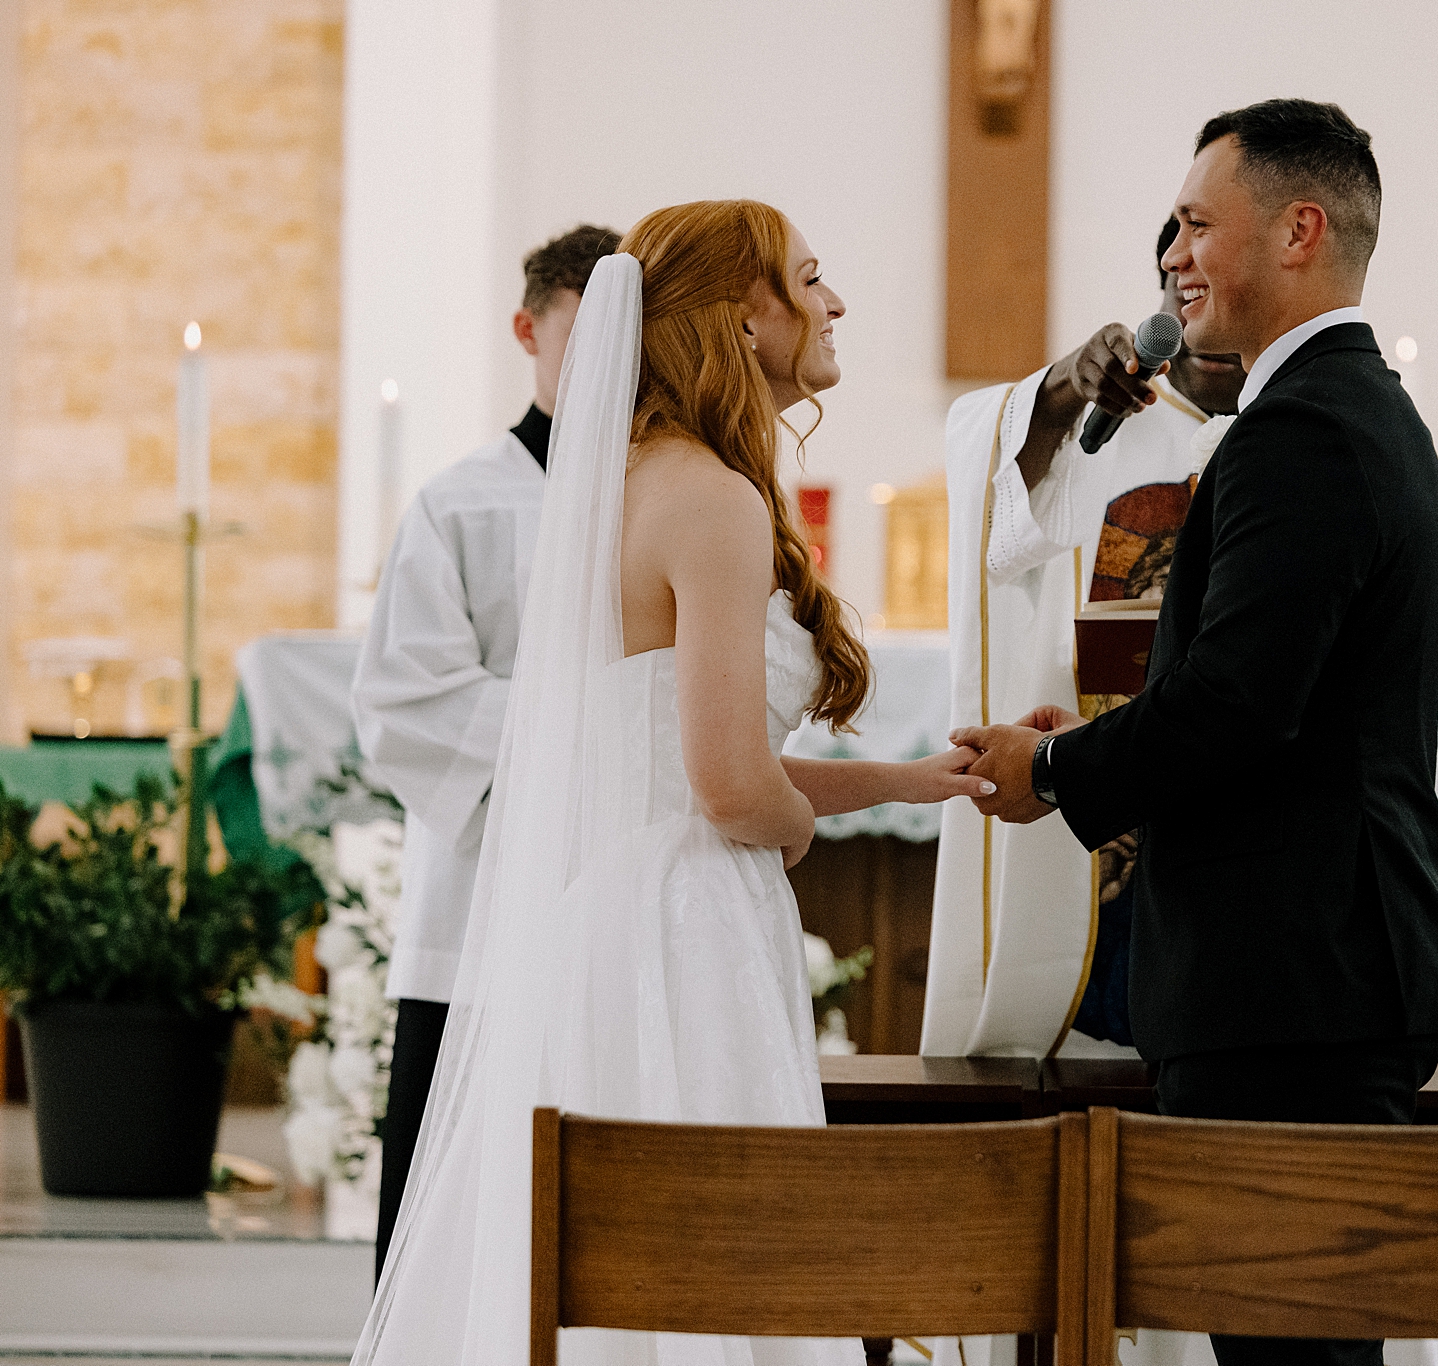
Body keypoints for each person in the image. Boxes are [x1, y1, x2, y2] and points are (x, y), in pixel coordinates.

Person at [355, 201, 988, 1366]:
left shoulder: (633, 480)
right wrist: (787, 827)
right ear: (744, 318)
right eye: (810, 277)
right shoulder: (711, 497)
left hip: (614, 908)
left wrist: (919, 778)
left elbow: (672, 754)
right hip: (688, 927)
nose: (835, 301)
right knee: (716, 1263)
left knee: (616, 1276)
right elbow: (730, 790)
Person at [954, 100, 1438, 1366]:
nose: (1172, 257)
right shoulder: (1355, 412)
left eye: (1195, 225)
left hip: (1292, 983)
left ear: (1298, 231)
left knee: (1292, 1353)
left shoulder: (1300, 432)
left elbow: (1240, 705)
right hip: (1315, 973)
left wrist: (1053, 768)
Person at [926, 215, 1438, 1064]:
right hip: (1112, 840)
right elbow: (998, 538)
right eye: (1175, 284)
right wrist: (1056, 392)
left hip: (1280, 895)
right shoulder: (1097, 432)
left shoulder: (1342, 444)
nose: (1187, 298)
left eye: (1206, 267)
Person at [354, 222, 619, 1282]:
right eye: (583, 329)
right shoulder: (459, 501)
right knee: (442, 1194)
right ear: (529, 327)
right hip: (481, 885)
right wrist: (593, 726)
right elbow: (408, 699)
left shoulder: (667, 493)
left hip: (611, 883)